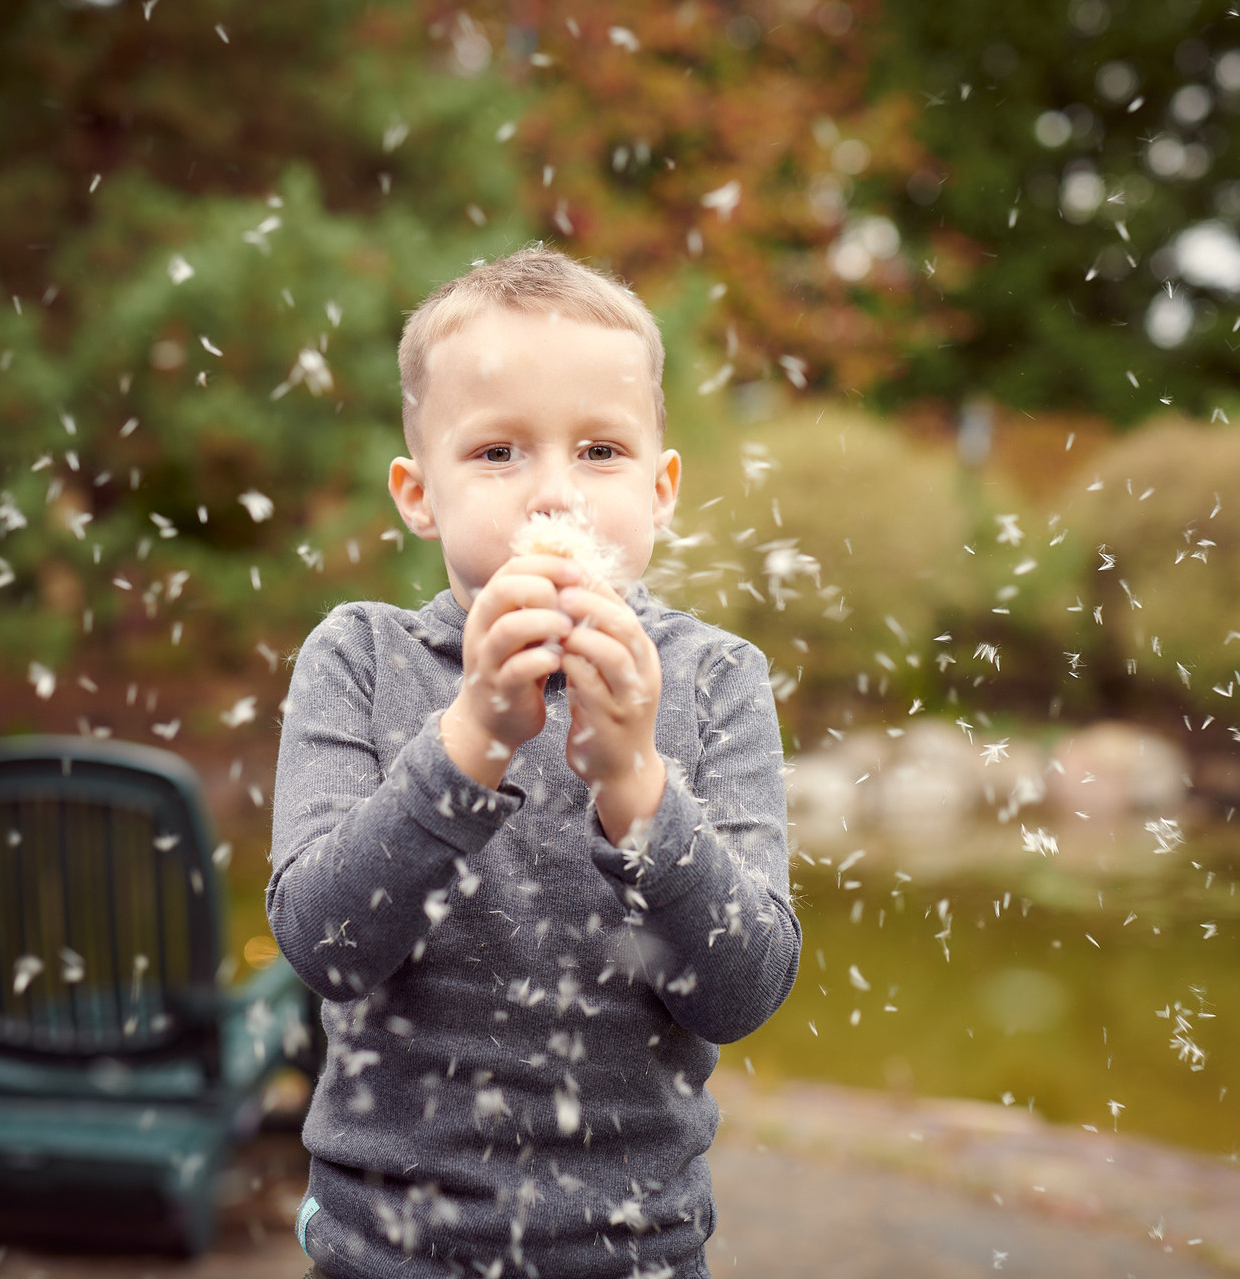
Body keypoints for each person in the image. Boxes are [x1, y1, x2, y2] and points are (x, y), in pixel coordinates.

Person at [267, 244, 800, 1279]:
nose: (554, 496)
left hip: (636, 1251)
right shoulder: (359, 658)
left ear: (662, 486)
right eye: (499, 452)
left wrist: (638, 785)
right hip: (386, 1251)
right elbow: (324, 947)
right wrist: (468, 742)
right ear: (419, 494)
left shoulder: (714, 680)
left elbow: (740, 993)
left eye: (600, 451)